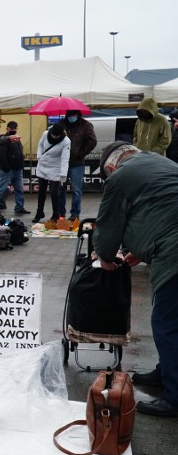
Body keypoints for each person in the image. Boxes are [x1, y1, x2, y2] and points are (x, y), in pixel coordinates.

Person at [93, 142, 178, 417]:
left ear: (110, 167)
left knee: (167, 323)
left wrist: (105, 257)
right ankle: (165, 371)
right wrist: (140, 252)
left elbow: (108, 223)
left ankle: (174, 396)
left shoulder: (120, 177)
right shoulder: (163, 163)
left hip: (174, 251)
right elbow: (160, 209)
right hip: (170, 242)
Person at [60, 110, 97, 221]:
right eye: (70, 115)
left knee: (76, 190)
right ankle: (60, 213)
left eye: (74, 115)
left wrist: (81, 153)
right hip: (62, 163)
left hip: (77, 163)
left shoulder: (86, 125)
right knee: (60, 190)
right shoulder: (61, 124)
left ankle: (75, 213)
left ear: (78, 114)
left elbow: (92, 141)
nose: (72, 117)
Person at [0, 121, 29, 215]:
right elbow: (1, 154)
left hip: (17, 168)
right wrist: (6, 166)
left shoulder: (17, 139)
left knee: (19, 189)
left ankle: (19, 207)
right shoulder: (4, 139)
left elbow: (19, 152)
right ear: (7, 129)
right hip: (8, 169)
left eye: (15, 128)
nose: (13, 130)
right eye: (12, 128)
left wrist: (21, 163)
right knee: (1, 188)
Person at [32, 123, 71, 224]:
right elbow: (40, 145)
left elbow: (65, 159)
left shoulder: (66, 141)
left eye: (56, 135)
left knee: (54, 193)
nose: (54, 136)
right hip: (43, 165)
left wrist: (63, 174)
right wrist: (39, 156)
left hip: (55, 168)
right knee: (41, 192)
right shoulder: (45, 134)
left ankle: (55, 214)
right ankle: (39, 212)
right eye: (53, 134)